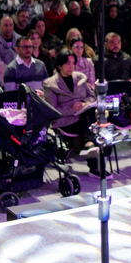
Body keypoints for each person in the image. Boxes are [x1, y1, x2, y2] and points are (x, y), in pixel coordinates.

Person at [43, 48, 102, 176]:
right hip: (65, 121)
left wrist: (84, 104)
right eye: (68, 63)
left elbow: (91, 97)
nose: (71, 66)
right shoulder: (50, 84)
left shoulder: (79, 78)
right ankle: (94, 165)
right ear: (59, 65)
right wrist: (73, 109)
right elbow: (53, 110)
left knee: (91, 114)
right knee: (91, 122)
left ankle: (90, 148)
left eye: (73, 63)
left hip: (83, 117)